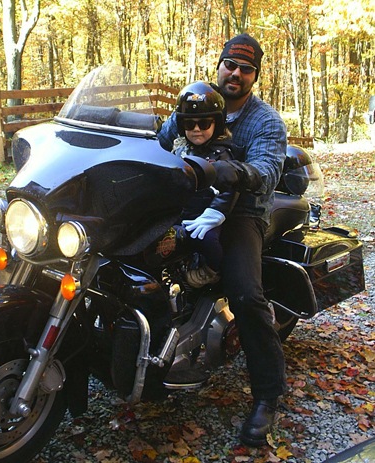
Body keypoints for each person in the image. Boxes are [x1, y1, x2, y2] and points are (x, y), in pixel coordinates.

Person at [158, 33, 288, 447]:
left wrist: (236, 172)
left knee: (247, 295)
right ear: (219, 65)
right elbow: (159, 141)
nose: (236, 73)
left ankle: (267, 394)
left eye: (246, 69)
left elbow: (267, 170)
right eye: (230, 64)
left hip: (241, 213)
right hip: (186, 204)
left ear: (255, 76)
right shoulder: (195, 102)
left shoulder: (265, 121)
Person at [171, 81, 243, 287]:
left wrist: (215, 213)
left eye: (204, 124)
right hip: (180, 211)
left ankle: (211, 271)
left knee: (208, 240)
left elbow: (231, 187)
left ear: (217, 124)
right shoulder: (179, 149)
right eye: (189, 124)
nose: (196, 129)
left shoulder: (223, 154)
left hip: (205, 215)